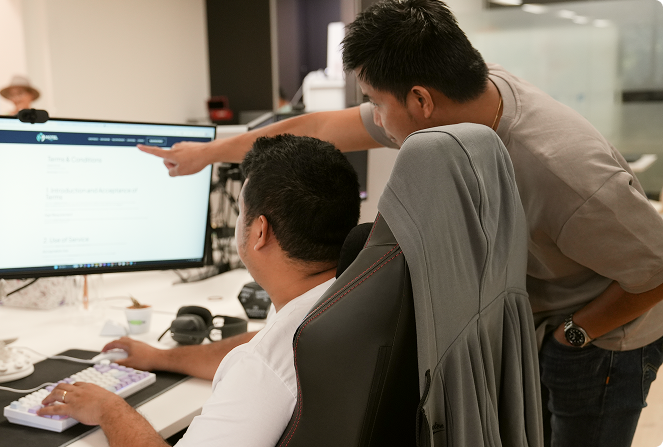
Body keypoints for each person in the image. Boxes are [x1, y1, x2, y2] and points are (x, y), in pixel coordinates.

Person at [135, 1, 663, 446]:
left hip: (607, 334)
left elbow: (655, 273)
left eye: (373, 103)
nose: (374, 120)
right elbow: (320, 126)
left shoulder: (564, 171)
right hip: (541, 313)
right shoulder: (455, 108)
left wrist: (574, 336)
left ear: (420, 101)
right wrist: (211, 153)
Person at [37, 135, 361, 446]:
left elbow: (264, 359)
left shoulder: (263, 367)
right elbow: (262, 342)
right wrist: (159, 357)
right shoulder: (348, 296)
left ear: (260, 230)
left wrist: (109, 410)